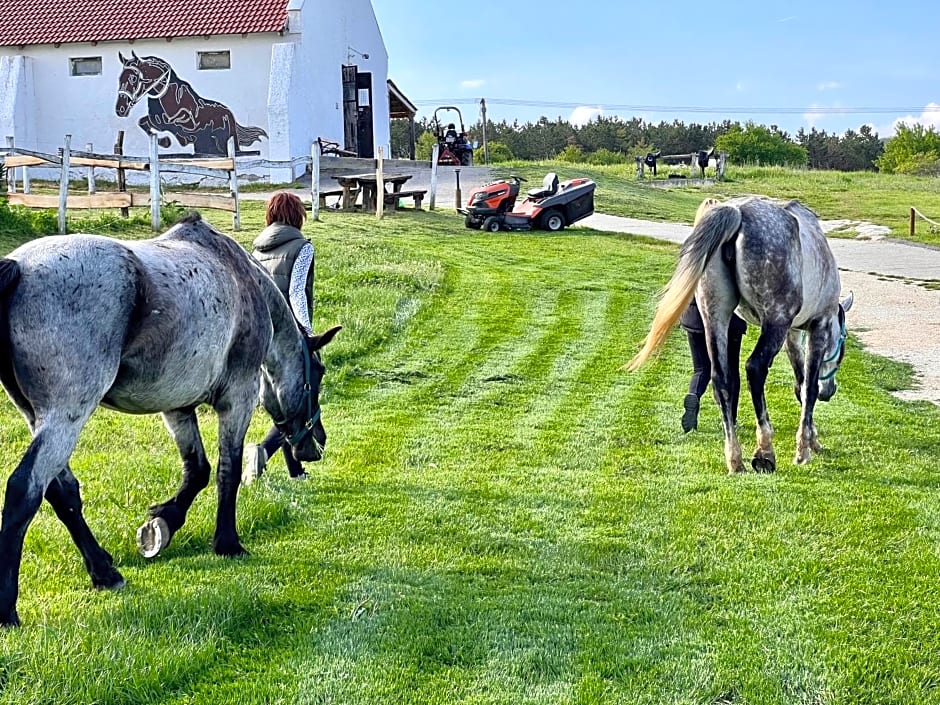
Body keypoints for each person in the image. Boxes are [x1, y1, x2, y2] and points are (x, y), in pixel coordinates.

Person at [243, 191, 315, 484]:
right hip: (290, 335)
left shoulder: (256, 249)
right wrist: (307, 332)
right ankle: (262, 451)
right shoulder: (303, 247)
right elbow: (297, 291)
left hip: (262, 335)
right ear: (297, 215)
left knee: (280, 403)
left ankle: (295, 471)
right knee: (298, 400)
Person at [679, 299, 747, 433]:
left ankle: (694, 394)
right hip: (729, 320)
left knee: (701, 369)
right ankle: (730, 418)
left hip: (694, 316)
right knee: (731, 369)